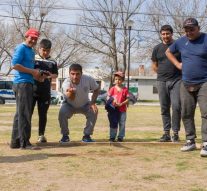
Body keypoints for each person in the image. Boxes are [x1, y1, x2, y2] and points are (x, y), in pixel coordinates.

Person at [166, 18, 207, 157]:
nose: (189, 32)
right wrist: (178, 65)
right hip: (186, 82)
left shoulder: (206, 39)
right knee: (186, 113)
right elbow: (168, 52)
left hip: (204, 82)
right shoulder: (181, 41)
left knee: (206, 112)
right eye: (186, 29)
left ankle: (206, 143)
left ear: (198, 28)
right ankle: (190, 140)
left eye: (192, 29)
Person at [10, 28, 42, 149]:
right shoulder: (21, 48)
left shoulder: (31, 51)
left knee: (20, 114)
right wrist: (32, 71)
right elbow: (14, 65)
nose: (33, 40)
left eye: (35, 38)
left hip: (27, 82)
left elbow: (30, 70)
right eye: (31, 37)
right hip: (22, 84)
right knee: (24, 114)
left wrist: (38, 75)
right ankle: (25, 143)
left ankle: (15, 142)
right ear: (26, 36)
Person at [151, 25, 182, 142]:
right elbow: (154, 65)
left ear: (171, 34)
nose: (165, 36)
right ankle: (166, 133)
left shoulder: (178, 47)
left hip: (177, 81)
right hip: (161, 81)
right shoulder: (157, 48)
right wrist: (160, 74)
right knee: (164, 108)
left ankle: (175, 133)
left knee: (176, 107)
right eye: (163, 34)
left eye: (167, 34)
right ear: (161, 35)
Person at [58, 63, 100, 143]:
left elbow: (97, 89)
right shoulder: (66, 83)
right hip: (69, 105)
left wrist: (92, 102)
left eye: (77, 74)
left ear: (81, 74)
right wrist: (71, 92)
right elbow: (71, 98)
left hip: (85, 104)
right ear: (69, 74)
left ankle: (87, 136)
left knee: (94, 111)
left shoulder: (88, 79)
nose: (75, 76)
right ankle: (65, 136)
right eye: (72, 74)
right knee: (62, 112)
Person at [32, 39, 58, 143]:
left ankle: (41, 135)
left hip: (45, 91)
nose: (45, 52)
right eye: (43, 50)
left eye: (48, 50)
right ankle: (25, 135)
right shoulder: (33, 58)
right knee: (28, 113)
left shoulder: (53, 61)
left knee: (43, 114)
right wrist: (37, 74)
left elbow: (55, 74)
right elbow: (29, 71)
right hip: (32, 90)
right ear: (39, 48)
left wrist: (49, 76)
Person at [106, 71, 129, 142]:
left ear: (122, 80)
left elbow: (128, 99)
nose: (117, 81)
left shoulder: (125, 89)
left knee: (122, 123)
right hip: (114, 110)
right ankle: (112, 136)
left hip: (122, 110)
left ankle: (120, 137)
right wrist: (112, 101)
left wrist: (121, 104)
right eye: (116, 79)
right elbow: (108, 97)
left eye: (119, 79)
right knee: (113, 123)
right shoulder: (112, 88)